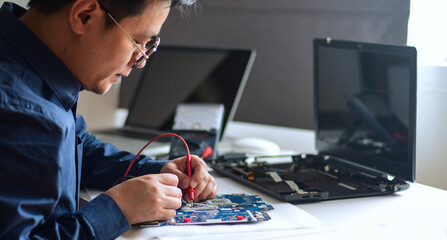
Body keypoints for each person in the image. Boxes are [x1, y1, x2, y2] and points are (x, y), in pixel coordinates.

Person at [0, 0, 218, 239]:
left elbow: (76, 146)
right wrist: (118, 209)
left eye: (150, 45)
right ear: (84, 16)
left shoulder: (33, 74)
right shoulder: (21, 111)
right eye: (138, 41)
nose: (142, 60)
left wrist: (154, 171)